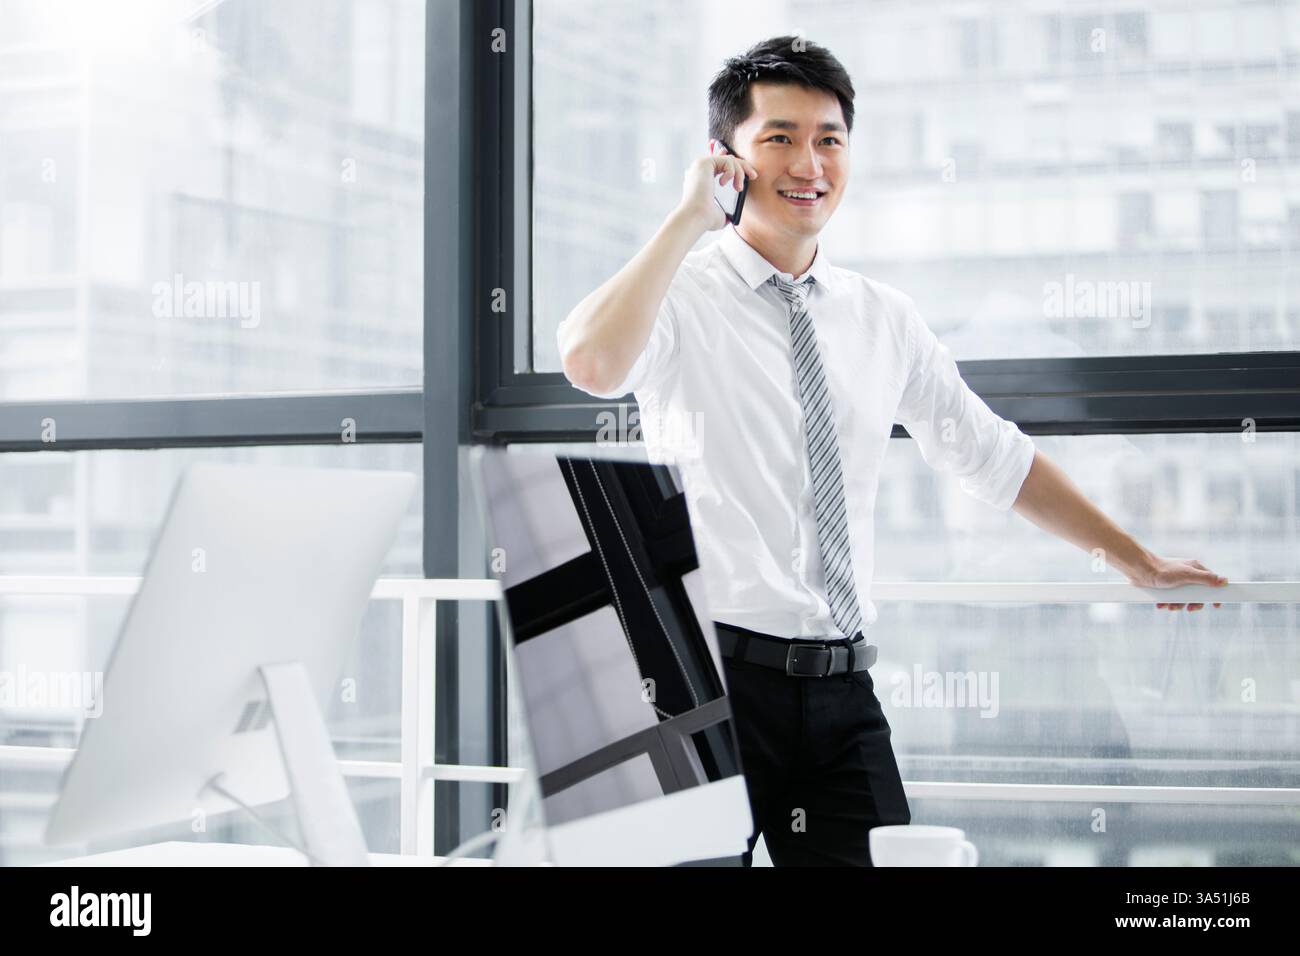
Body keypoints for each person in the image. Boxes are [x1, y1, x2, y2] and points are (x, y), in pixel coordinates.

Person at [555, 35, 1228, 867]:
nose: (810, 162)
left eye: (829, 138)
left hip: (842, 688)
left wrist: (1137, 560)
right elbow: (589, 361)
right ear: (725, 158)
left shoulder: (882, 318)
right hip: (708, 680)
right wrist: (689, 218)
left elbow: (993, 457)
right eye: (779, 137)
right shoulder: (682, 297)